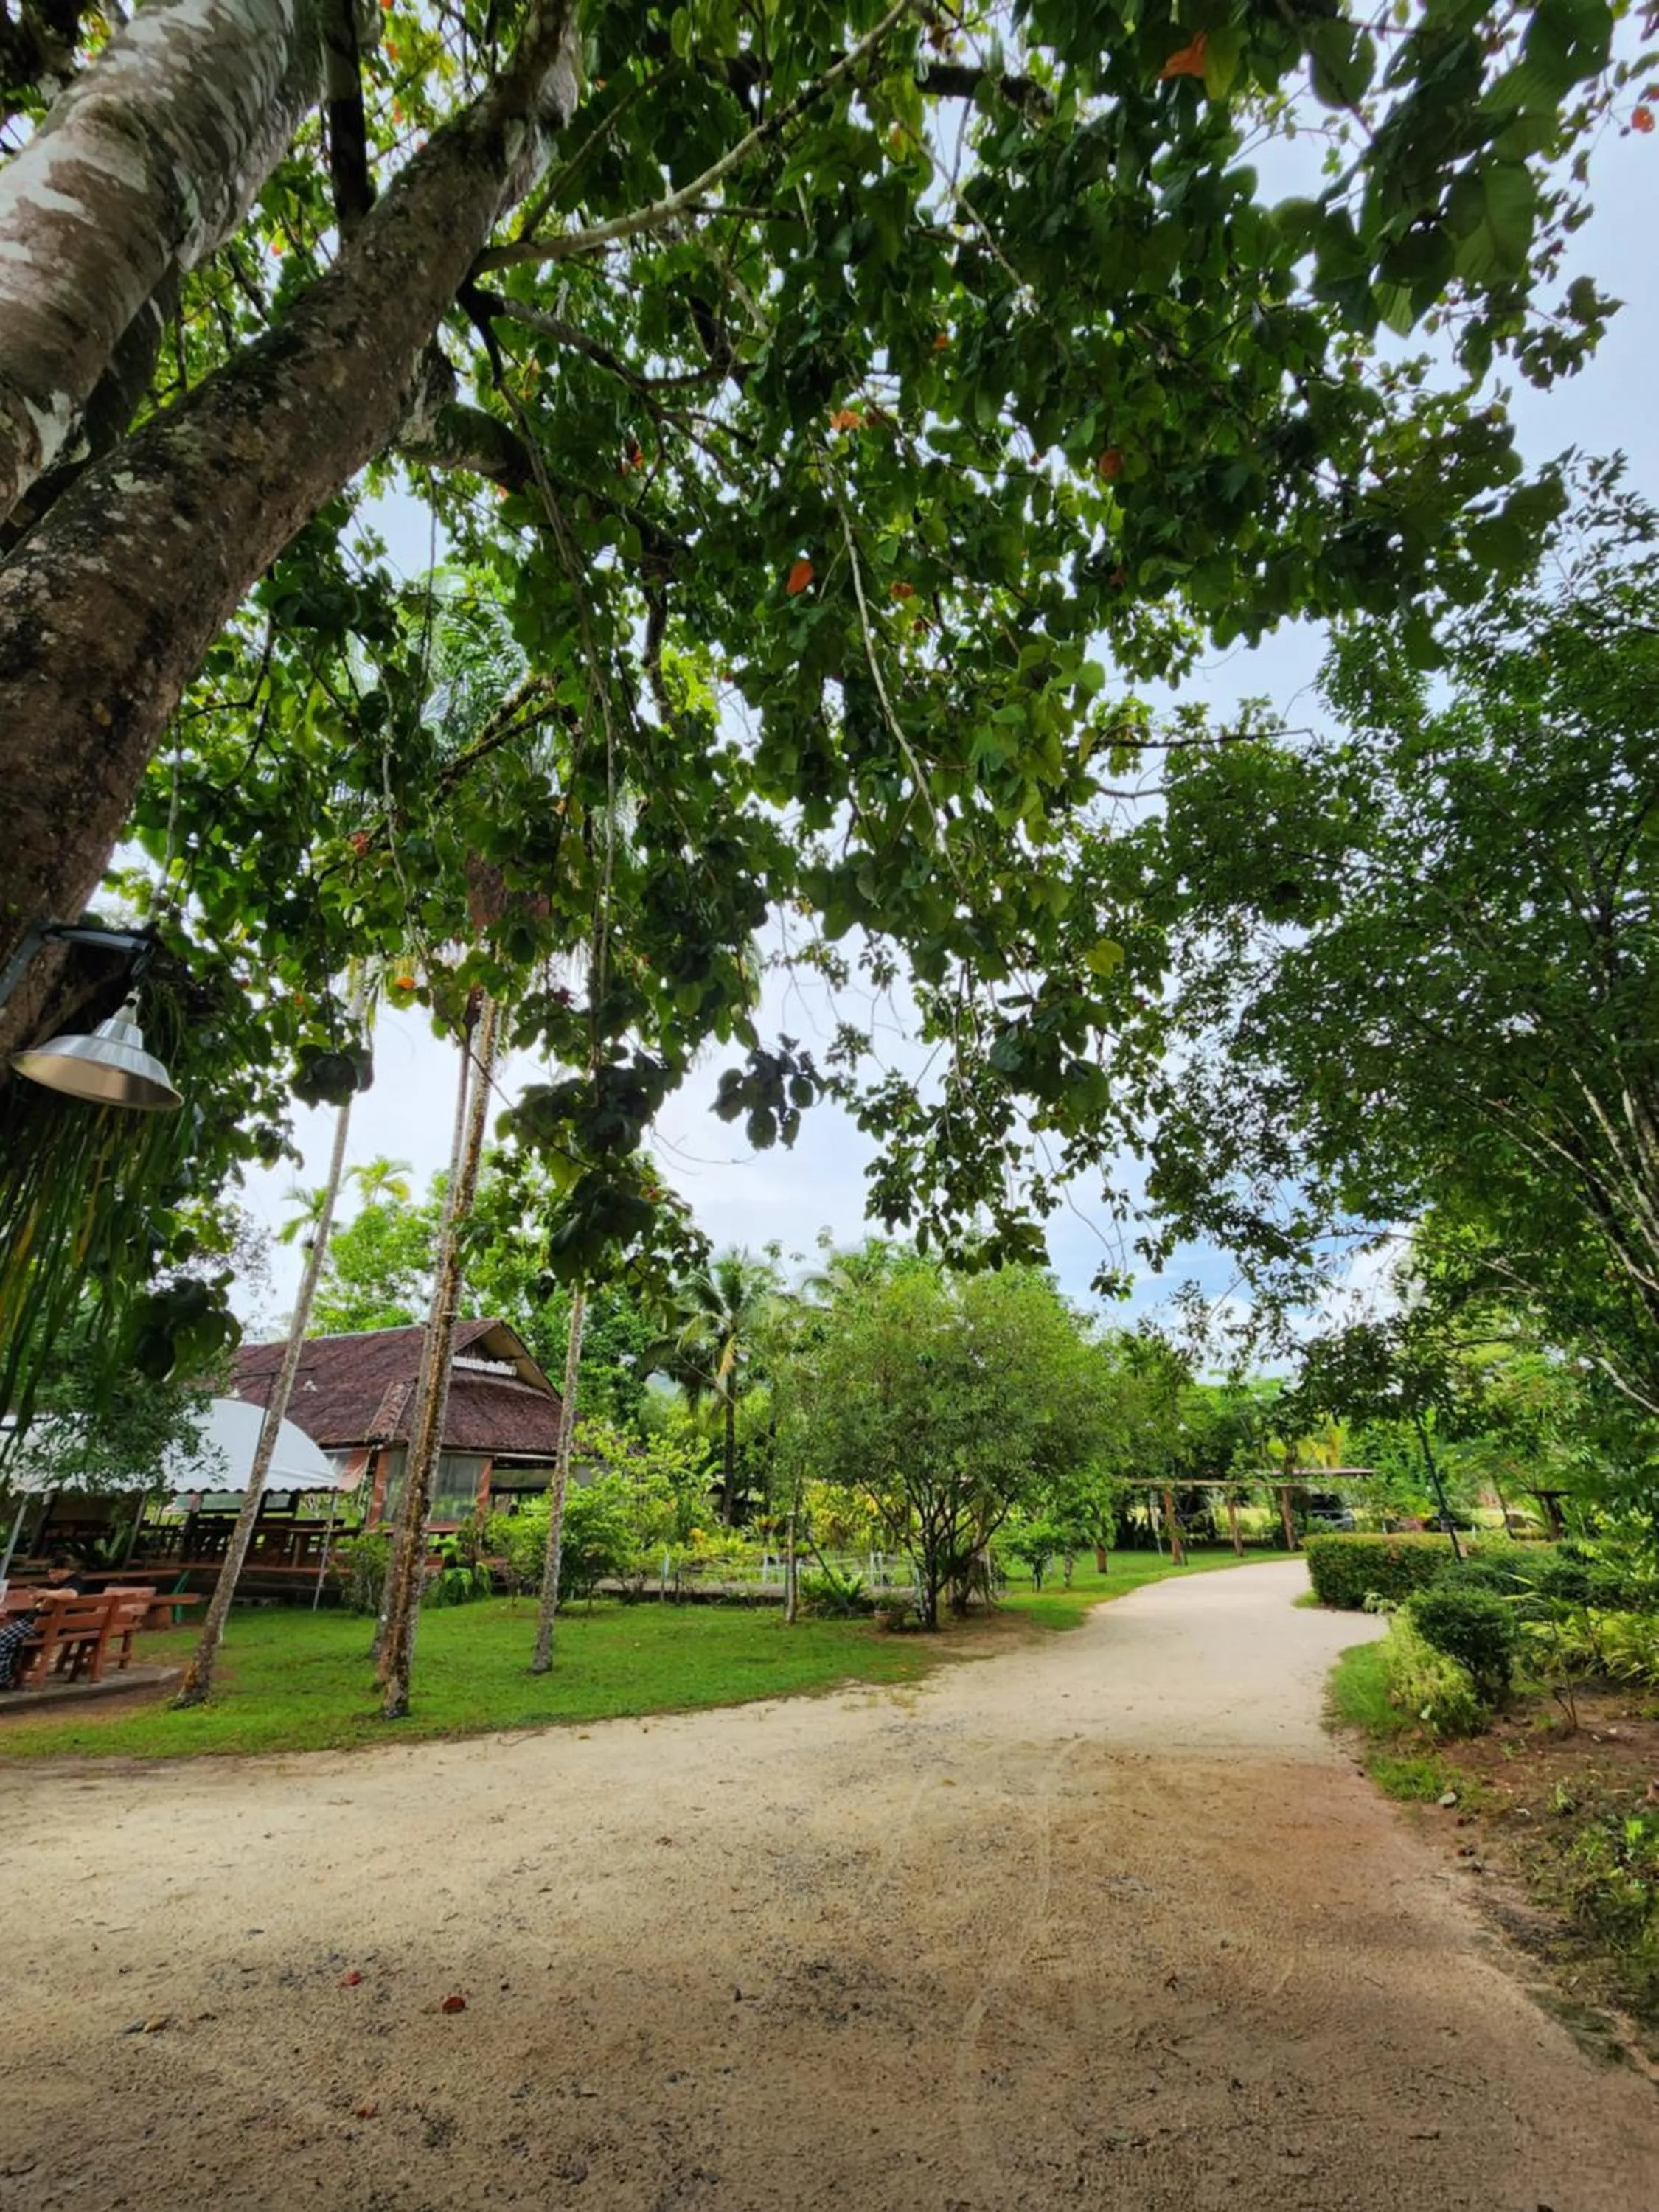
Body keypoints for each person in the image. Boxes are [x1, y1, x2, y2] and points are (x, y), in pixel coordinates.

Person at [0, 1554, 86, 1689]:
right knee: (10, 1641)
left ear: (67, 1570)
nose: (52, 1576)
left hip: (41, 1626)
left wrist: (46, 1593)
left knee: (2, 1639)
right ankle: (9, 1675)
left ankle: (3, 1679)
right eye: (50, 1573)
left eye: (54, 1572)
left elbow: (71, 1595)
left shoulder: (75, 1581)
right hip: (40, 1623)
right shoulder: (62, 1584)